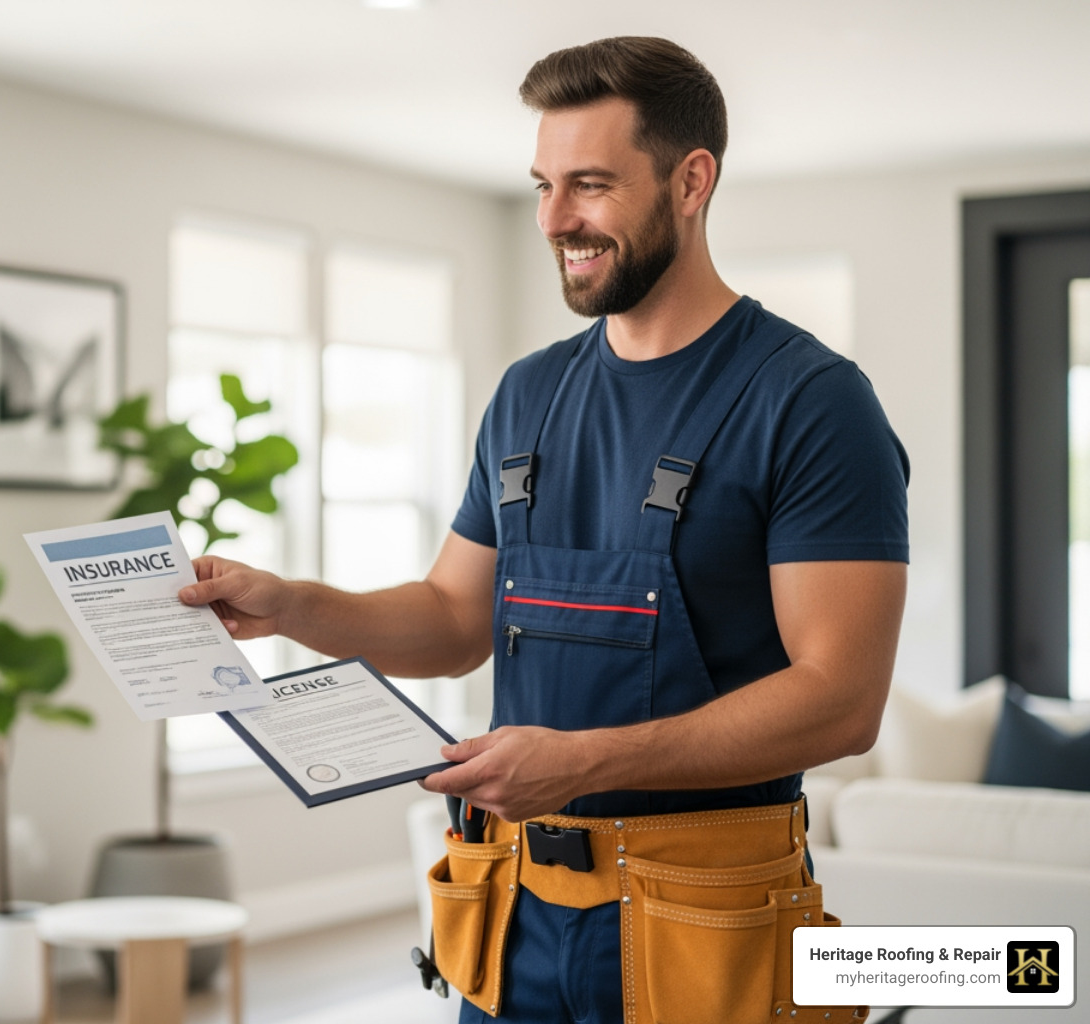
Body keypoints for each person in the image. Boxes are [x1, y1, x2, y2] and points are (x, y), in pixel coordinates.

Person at [179, 37, 908, 1024]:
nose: (556, 219)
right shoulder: (529, 395)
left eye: (592, 185)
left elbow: (841, 702)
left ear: (692, 182)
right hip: (514, 915)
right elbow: (450, 618)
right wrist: (291, 604)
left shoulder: (813, 403)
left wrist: (585, 761)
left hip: (710, 927)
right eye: (543, 185)